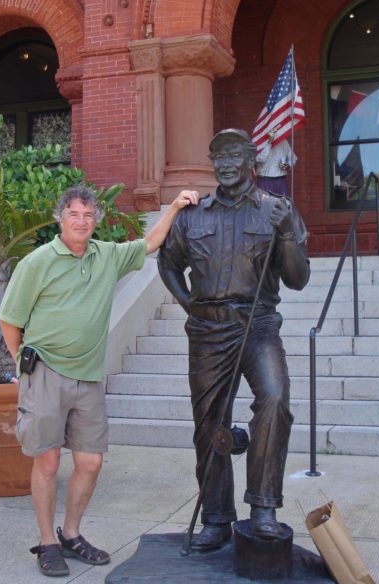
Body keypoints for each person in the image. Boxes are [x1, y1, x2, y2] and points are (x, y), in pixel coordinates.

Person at [0, 185, 198, 576]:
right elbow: (9, 320)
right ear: (61, 217)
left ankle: (71, 534)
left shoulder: (107, 256)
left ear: (96, 221)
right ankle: (47, 542)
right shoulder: (39, 261)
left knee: (89, 461)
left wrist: (173, 206)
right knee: (49, 461)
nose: (82, 221)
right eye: (74, 214)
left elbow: (150, 243)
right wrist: (23, 362)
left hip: (88, 376)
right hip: (46, 373)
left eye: (89, 216)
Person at [157, 129, 310, 551]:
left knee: (276, 399)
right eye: (218, 156)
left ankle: (263, 508)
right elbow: (167, 263)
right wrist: (189, 304)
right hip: (207, 330)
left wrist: (286, 235)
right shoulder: (194, 216)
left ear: (251, 161)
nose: (225, 164)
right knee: (209, 425)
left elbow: (298, 279)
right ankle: (216, 519)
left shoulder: (276, 210)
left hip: (258, 325)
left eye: (233, 156)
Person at [255, 131, 297, 196]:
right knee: (265, 205)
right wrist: (269, 143)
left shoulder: (283, 141)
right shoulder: (260, 142)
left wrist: (288, 165)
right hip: (265, 181)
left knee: (283, 204)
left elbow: (293, 158)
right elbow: (260, 159)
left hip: (280, 180)